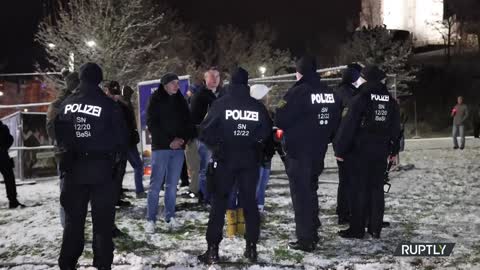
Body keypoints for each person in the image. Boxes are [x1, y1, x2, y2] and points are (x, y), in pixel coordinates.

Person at [55, 62, 128, 269]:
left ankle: (67, 263)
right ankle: (103, 264)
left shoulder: (67, 103)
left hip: (73, 169)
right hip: (101, 170)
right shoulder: (108, 105)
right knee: (102, 223)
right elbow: (122, 139)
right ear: (99, 79)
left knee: (73, 222)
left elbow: (58, 133)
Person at [197, 67, 272, 264]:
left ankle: (213, 250)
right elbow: (266, 134)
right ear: (246, 83)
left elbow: (204, 131)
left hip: (225, 160)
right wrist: (253, 145)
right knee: (250, 204)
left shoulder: (221, 104)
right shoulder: (257, 107)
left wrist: (218, 145)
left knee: (219, 204)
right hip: (249, 161)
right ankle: (251, 248)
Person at [275, 56, 341, 252]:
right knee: (311, 191)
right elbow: (336, 120)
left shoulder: (297, 92)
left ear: (299, 72)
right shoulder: (329, 92)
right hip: (318, 150)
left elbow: (280, 117)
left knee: (301, 195)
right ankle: (313, 229)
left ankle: (306, 239)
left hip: (299, 152)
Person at [334, 65, 400, 239]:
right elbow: (396, 128)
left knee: (358, 189)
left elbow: (348, 126)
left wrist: (340, 149)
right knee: (377, 189)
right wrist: (393, 150)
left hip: (359, 151)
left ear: (366, 78)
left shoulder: (361, 97)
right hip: (381, 151)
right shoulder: (390, 100)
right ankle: (375, 227)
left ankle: (357, 229)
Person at [145, 73, 194, 233]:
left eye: (177, 83)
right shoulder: (156, 99)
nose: (176, 86)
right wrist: (169, 141)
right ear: (165, 84)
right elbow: (152, 123)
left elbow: (188, 122)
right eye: (173, 83)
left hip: (178, 148)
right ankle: (150, 219)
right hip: (161, 148)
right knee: (155, 185)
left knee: (172, 186)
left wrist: (183, 140)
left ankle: (170, 216)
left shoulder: (181, 101)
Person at [46, 71, 79, 226]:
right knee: (67, 192)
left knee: (71, 191)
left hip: (70, 152)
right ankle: (68, 226)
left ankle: (70, 226)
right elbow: (52, 131)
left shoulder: (61, 103)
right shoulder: (60, 104)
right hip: (66, 152)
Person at [334, 63, 363, 225]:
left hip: (344, 141)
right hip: (346, 142)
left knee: (346, 179)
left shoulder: (343, 91)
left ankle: (344, 210)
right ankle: (345, 212)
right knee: (347, 180)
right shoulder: (346, 93)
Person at [189, 67, 224, 203]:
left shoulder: (222, 94)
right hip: (204, 139)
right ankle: (205, 196)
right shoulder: (200, 95)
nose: (215, 79)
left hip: (218, 138)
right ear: (205, 79)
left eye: (217, 76)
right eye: (211, 76)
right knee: (205, 169)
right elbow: (194, 118)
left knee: (215, 169)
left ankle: (211, 194)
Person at [104, 81, 131, 209]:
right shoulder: (115, 104)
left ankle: (115, 198)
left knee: (117, 174)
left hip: (118, 144)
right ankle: (112, 199)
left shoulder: (117, 104)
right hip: (116, 145)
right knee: (114, 174)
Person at [121, 85, 145, 197]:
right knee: (138, 166)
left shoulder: (122, 104)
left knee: (121, 168)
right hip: (128, 141)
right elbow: (129, 125)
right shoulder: (126, 105)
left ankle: (118, 192)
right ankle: (139, 191)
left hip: (125, 141)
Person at [0, 120, 24, 209]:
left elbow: (10, 139)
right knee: (9, 179)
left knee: (9, 179)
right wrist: (4, 148)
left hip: (3, 155)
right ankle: (13, 201)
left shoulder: (3, 127)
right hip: (3, 156)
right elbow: (10, 139)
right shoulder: (3, 127)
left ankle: (13, 201)